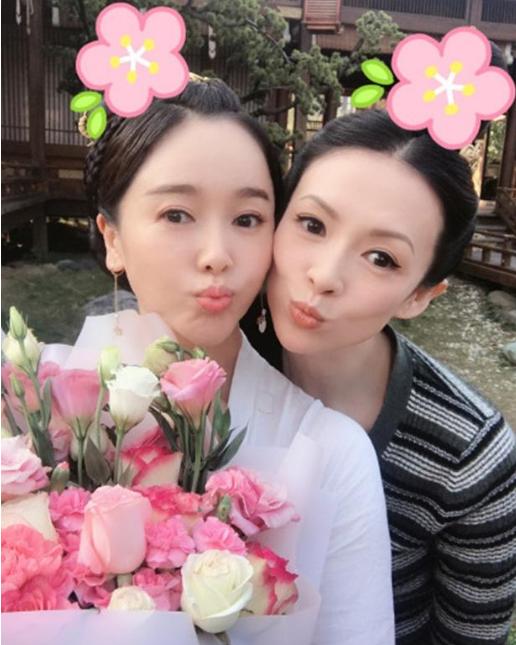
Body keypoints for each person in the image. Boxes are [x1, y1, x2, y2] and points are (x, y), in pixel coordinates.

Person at [85, 79, 395, 644]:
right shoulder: (30, 418)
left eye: (247, 219)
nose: (217, 256)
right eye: (177, 214)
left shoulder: (331, 453)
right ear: (113, 238)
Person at [260, 108, 516, 644]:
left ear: (420, 295)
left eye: (381, 258)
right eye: (312, 225)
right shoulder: (205, 371)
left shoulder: (468, 455)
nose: (325, 276)